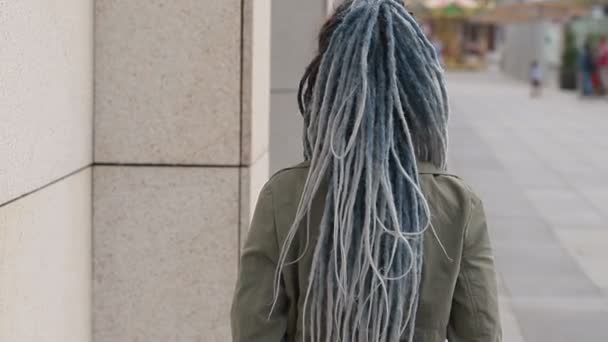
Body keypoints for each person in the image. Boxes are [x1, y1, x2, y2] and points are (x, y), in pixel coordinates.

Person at [231, 1, 501, 341]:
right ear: (421, 88)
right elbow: (482, 332)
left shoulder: (285, 197)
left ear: (327, 83)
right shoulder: (458, 204)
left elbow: (254, 330)